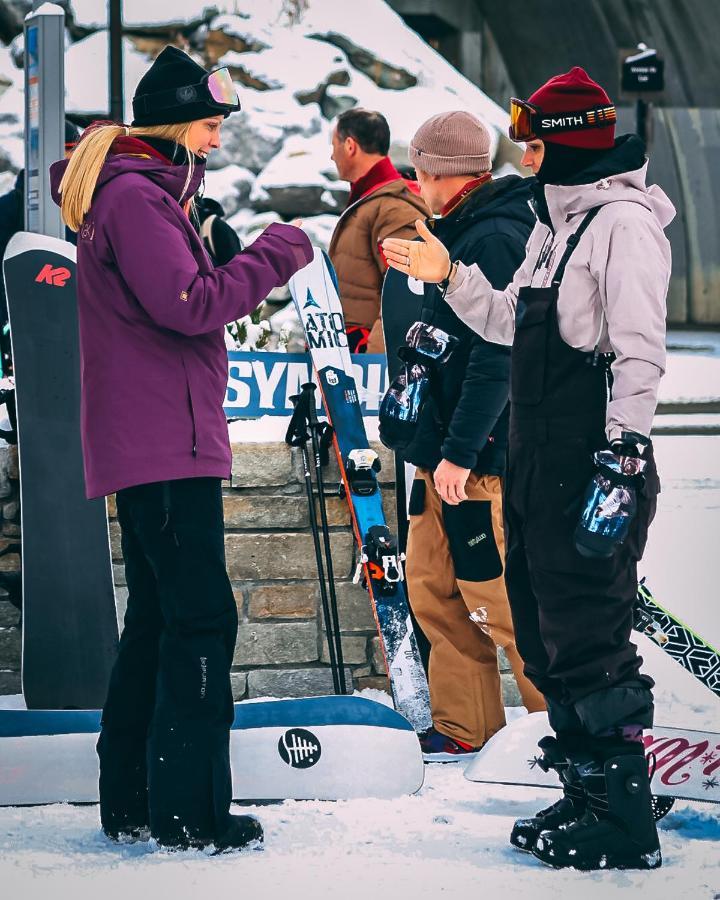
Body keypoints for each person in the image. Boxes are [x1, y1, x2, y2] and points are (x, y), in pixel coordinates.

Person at [382, 67, 673, 871]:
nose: (523, 155)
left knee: (589, 637)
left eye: (533, 140)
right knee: (545, 637)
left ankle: (621, 812)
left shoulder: (622, 225)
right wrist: (451, 277)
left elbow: (640, 353)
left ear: (563, 142)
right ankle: (584, 788)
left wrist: (623, 455)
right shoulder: (554, 222)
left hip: (589, 461)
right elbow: (512, 323)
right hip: (536, 462)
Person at [49, 45, 313, 852]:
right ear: (170, 125)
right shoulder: (135, 199)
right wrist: (276, 253)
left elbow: (176, 294)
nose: (216, 141)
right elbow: (190, 306)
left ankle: (131, 799)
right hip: (166, 443)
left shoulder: (146, 196)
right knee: (202, 620)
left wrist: (211, 241)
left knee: (161, 620)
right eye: (207, 125)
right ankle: (190, 812)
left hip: (159, 439)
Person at [400, 111, 545, 760]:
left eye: (418, 171)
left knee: (506, 608)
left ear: (442, 173)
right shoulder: (455, 229)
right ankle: (466, 729)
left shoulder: (495, 236)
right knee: (433, 592)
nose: (413, 182)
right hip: (440, 459)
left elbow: (499, 357)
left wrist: (461, 453)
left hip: (478, 462)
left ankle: (568, 739)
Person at [328, 108, 428, 353]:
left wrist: (374, 360)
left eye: (334, 145)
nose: (332, 156)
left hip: (368, 360)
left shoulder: (393, 208)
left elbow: (406, 293)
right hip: (352, 354)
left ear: (350, 146)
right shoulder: (370, 202)